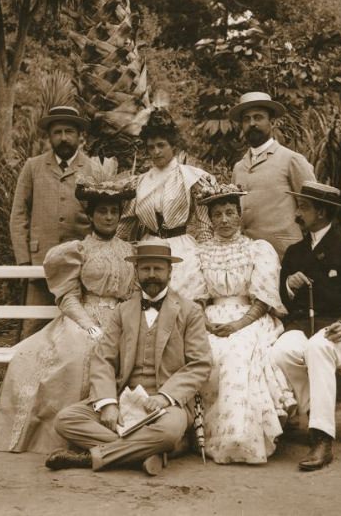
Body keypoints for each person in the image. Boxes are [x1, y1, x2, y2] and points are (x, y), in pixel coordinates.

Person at [0, 175, 138, 454]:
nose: (108, 217)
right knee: (73, 354)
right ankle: (62, 434)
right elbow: (68, 297)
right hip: (83, 317)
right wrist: (88, 324)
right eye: (102, 211)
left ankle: (109, 428)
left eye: (113, 211)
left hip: (120, 319)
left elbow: (133, 296)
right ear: (90, 215)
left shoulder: (130, 252)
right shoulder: (78, 250)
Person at [47, 240, 212, 476]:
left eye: (158, 269)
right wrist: (108, 404)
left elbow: (200, 364)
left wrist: (166, 397)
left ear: (170, 272)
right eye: (146, 269)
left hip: (166, 404)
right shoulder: (123, 311)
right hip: (124, 399)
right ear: (137, 272)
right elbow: (103, 358)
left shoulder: (189, 311)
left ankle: (91, 458)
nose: (152, 275)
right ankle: (152, 452)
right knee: (65, 420)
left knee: (169, 431)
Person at [270, 181, 341, 471]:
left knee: (318, 347)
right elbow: (282, 298)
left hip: (340, 332)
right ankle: (315, 412)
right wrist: (289, 286)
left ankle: (321, 437)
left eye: (303, 207)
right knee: (278, 353)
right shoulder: (295, 252)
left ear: (321, 212)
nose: (297, 212)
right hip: (303, 327)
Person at [193, 183, 295, 464]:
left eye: (229, 212)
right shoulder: (200, 252)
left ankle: (240, 435)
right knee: (207, 352)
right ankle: (206, 433)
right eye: (217, 214)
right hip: (211, 319)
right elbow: (197, 298)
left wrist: (239, 324)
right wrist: (204, 322)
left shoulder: (257, 250)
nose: (224, 220)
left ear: (239, 215)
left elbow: (263, 299)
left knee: (238, 354)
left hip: (250, 318)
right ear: (210, 219)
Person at [10, 105, 94, 338]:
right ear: (49, 136)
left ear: (80, 135)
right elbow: (18, 215)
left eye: (69, 131)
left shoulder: (93, 168)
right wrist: (23, 261)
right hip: (40, 263)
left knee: (79, 327)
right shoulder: (33, 167)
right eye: (57, 132)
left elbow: (102, 217)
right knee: (33, 326)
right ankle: (26, 375)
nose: (63, 138)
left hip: (80, 264)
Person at [118, 109, 215, 296]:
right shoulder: (139, 183)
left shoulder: (193, 178)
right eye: (151, 147)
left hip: (182, 247)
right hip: (148, 247)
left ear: (174, 146)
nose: (156, 151)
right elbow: (125, 226)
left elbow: (204, 226)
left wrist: (207, 259)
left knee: (183, 298)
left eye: (161, 145)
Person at [230, 92, 316, 257]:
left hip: (285, 256)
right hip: (246, 256)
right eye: (246, 119)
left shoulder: (291, 160)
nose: (252, 123)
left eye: (258, 117)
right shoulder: (239, 167)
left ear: (273, 122)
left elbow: (312, 209)